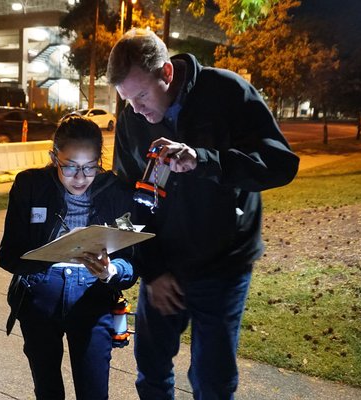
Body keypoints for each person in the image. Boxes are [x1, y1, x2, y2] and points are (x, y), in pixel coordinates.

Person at [106, 29, 300, 399]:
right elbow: (128, 199)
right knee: (151, 371)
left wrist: (204, 160)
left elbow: (279, 165)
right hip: (163, 266)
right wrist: (153, 269)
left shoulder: (226, 92)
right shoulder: (133, 119)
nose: (136, 110)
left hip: (222, 266)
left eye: (142, 95)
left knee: (212, 379)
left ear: (166, 73)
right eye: (127, 100)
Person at [0, 115, 138, 399]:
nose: (80, 178)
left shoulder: (115, 191)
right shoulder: (30, 185)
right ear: (54, 157)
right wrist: (48, 255)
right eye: (70, 167)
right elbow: (8, 256)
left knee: (94, 390)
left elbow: (131, 263)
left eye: (90, 168)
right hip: (40, 294)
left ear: (100, 160)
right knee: (48, 388)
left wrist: (111, 271)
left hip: (93, 295)